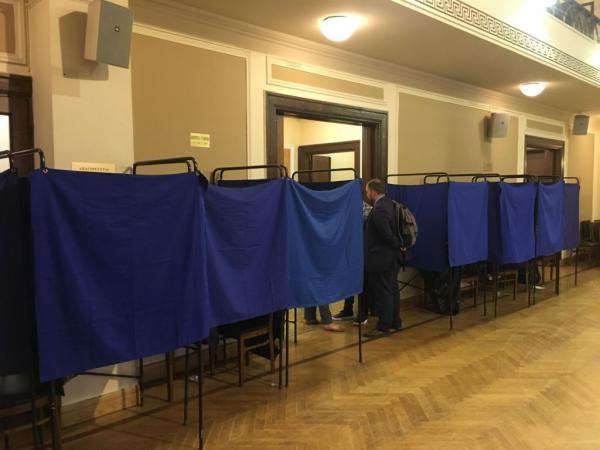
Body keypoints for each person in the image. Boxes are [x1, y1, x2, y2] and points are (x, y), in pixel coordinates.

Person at [362, 179, 402, 338]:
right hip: (391, 257)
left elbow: (386, 234)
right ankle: (395, 322)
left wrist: (397, 244)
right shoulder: (391, 204)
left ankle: (383, 326)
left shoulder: (379, 209)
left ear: (373, 191)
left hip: (381, 258)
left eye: (367, 191)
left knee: (384, 292)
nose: (366, 194)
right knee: (392, 289)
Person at [333, 200, 373, 325]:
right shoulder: (347, 207)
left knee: (363, 282)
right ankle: (348, 309)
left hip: (363, 251)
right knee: (349, 281)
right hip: (350, 250)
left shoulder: (367, 210)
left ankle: (363, 313)